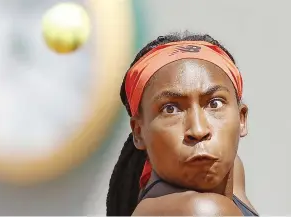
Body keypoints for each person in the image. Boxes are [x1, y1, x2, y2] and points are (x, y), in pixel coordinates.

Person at [106, 33, 259, 216]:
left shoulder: (228, 172)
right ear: (138, 132)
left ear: (241, 119)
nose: (198, 130)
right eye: (170, 109)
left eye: (214, 104)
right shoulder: (201, 210)